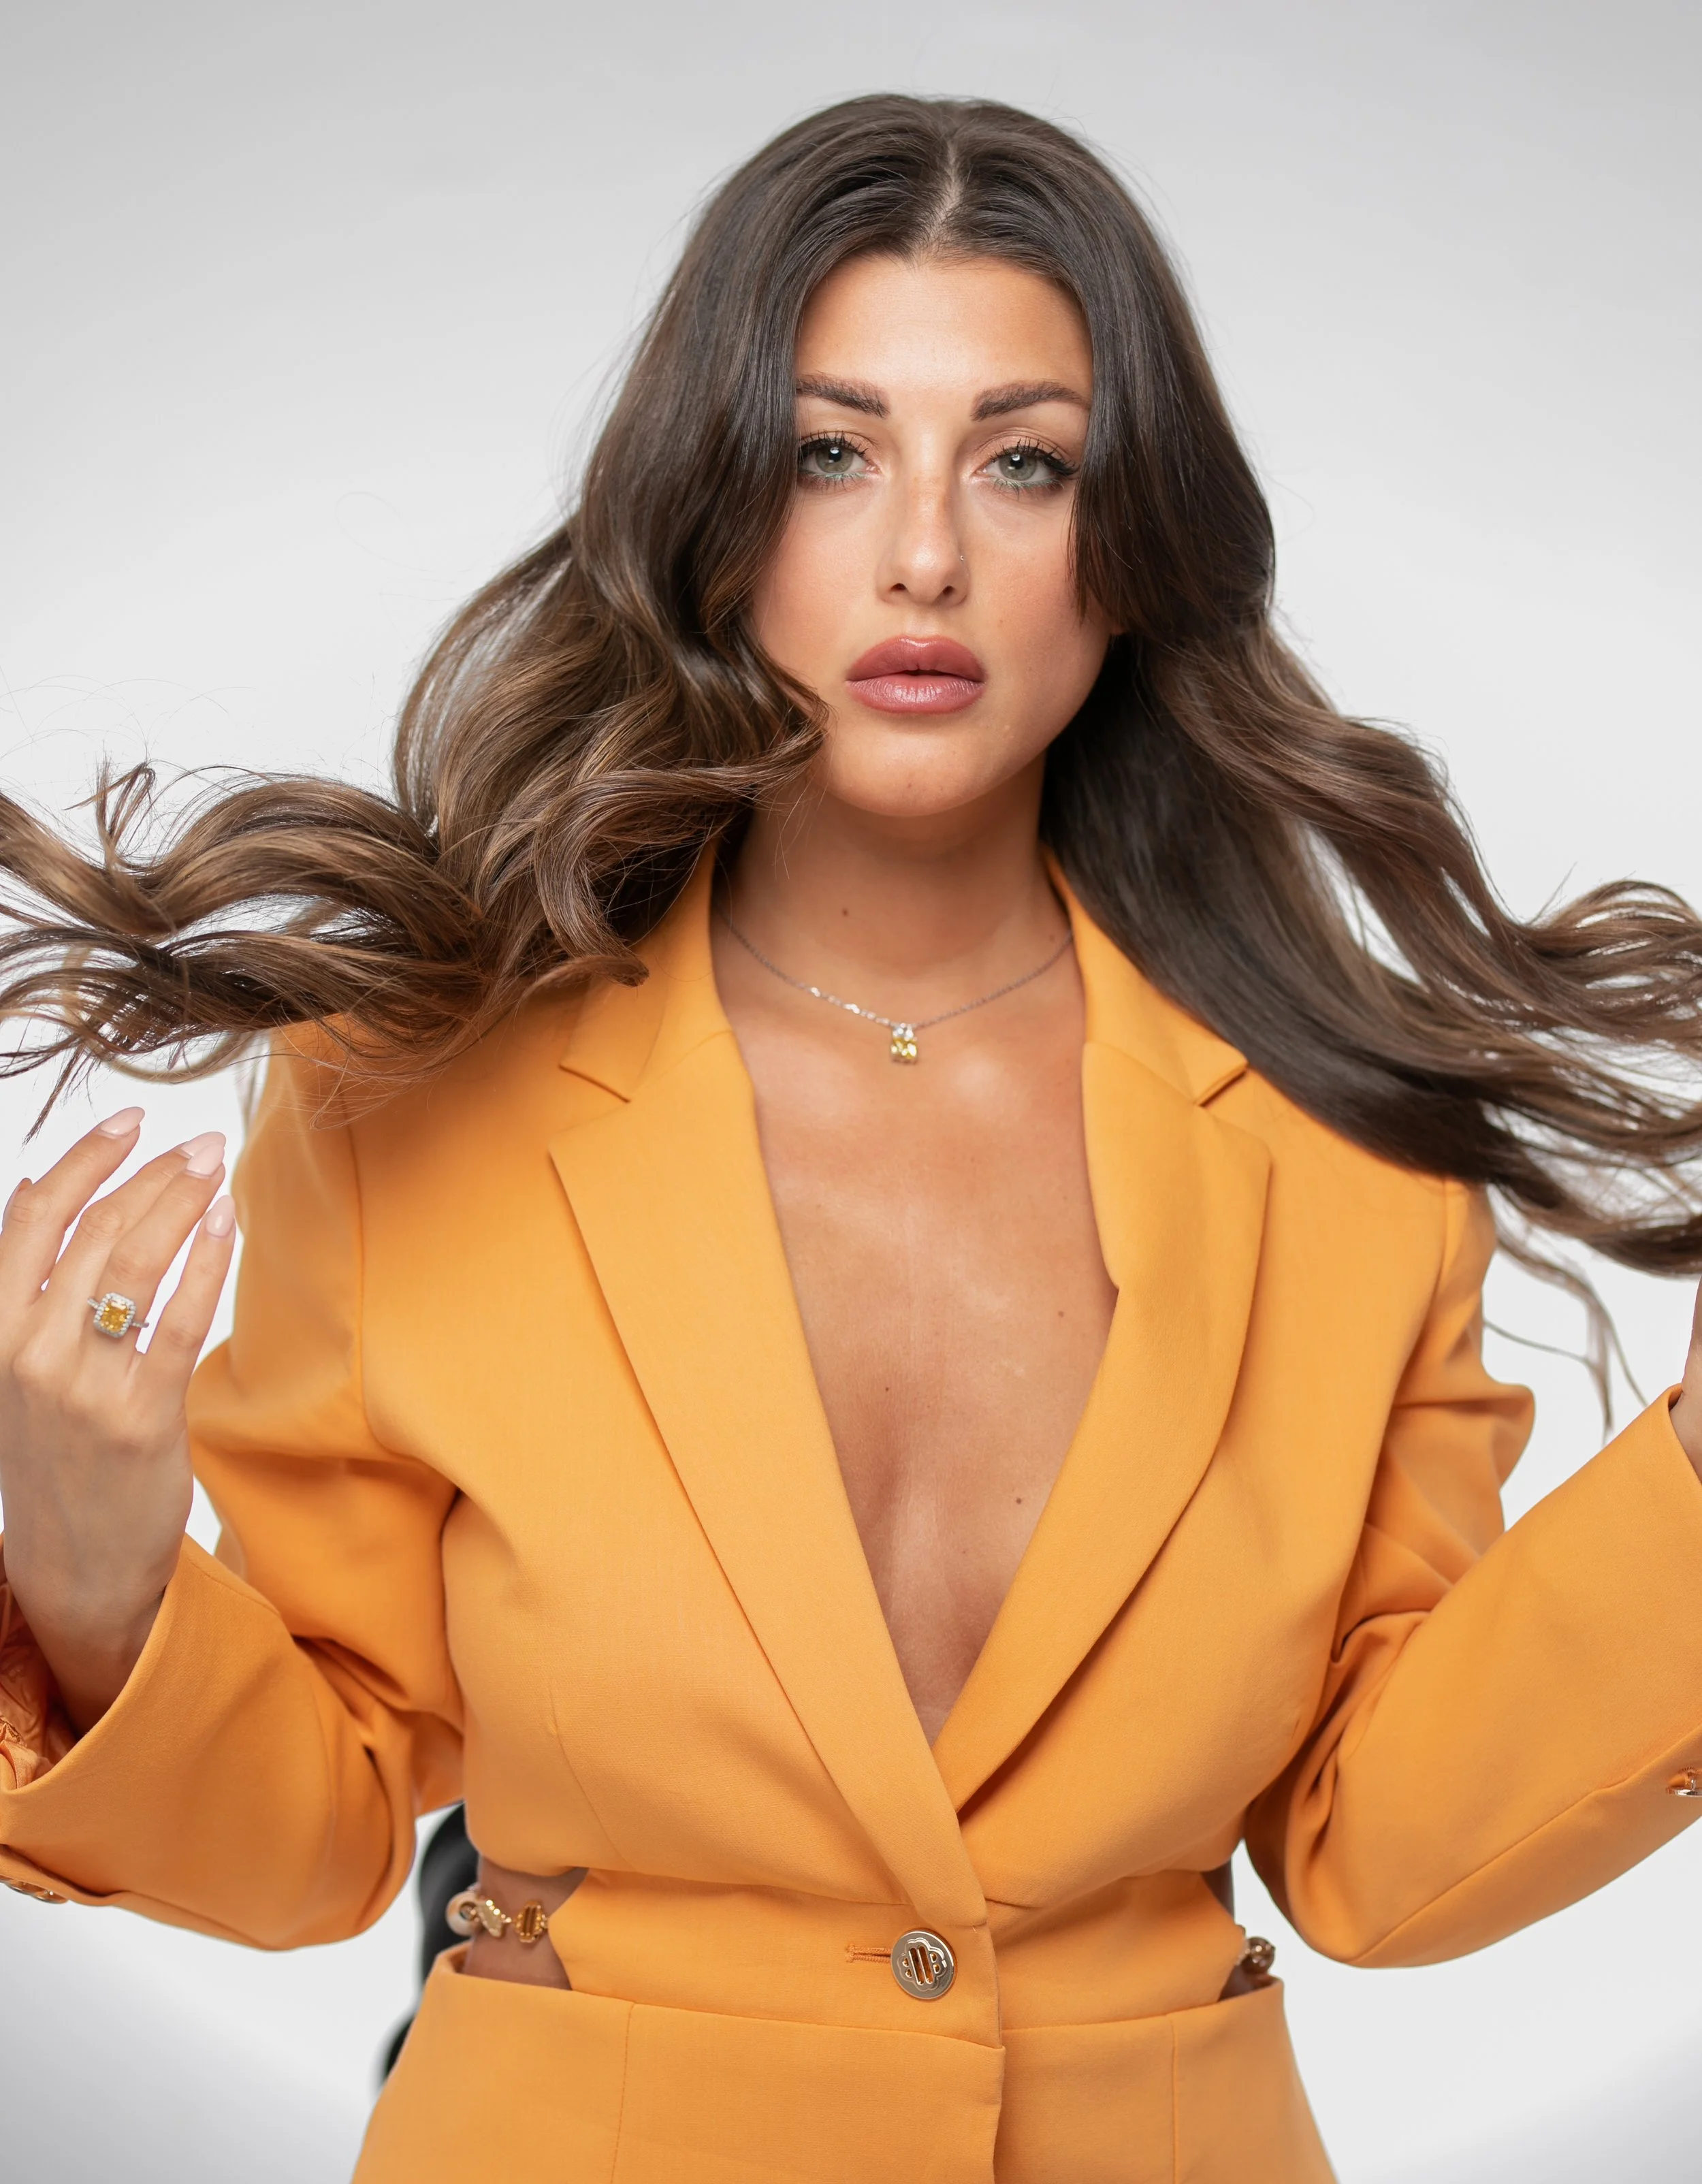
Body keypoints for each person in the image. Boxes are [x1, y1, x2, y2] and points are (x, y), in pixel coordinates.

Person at [1, 93, 1701, 2184]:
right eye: (830, 449)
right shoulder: (404, 1091)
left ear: (1132, 537)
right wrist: (93, 1601)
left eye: (1022, 459)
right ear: (715, 509)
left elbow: (1379, 1848)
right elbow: (327, 1817)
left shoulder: (1342, 1141)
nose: (921, 552)